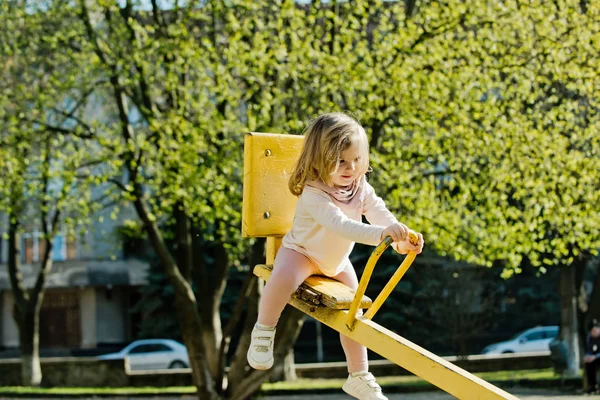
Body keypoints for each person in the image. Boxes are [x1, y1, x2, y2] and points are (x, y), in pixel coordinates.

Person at [246, 112, 424, 400]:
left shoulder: (358, 186)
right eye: (340, 161)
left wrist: (399, 240)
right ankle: (264, 331)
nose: (350, 168)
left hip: (336, 263)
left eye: (355, 160)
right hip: (302, 253)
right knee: (281, 278)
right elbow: (341, 225)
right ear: (318, 158)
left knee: (356, 312)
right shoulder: (314, 193)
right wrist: (382, 235)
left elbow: (377, 211)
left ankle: (358, 375)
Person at [585, 319, 600, 394]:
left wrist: (595, 356)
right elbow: (589, 349)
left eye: (594, 331)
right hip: (595, 357)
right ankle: (593, 386)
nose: (593, 333)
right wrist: (587, 356)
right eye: (591, 331)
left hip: (597, 356)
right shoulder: (590, 337)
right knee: (588, 364)